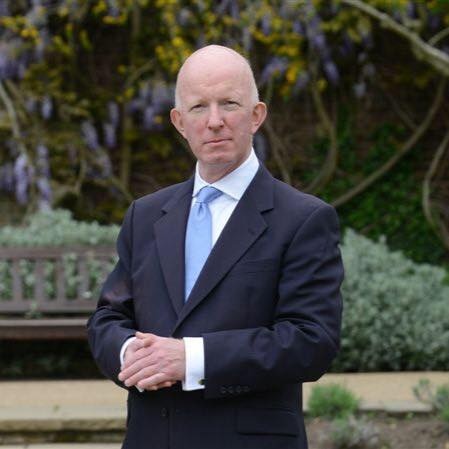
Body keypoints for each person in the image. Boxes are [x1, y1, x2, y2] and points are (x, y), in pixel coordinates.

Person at [87, 44, 344, 449]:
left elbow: (311, 340)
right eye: (198, 108)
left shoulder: (303, 219)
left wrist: (192, 359)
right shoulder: (146, 215)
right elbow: (108, 318)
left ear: (257, 115)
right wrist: (131, 354)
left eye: (229, 104)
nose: (214, 122)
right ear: (178, 121)